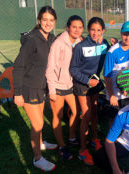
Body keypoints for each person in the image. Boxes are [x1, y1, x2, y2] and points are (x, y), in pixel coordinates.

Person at [13, 6, 58, 172]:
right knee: (38, 123)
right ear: (39, 20)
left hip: (41, 88)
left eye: (51, 20)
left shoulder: (50, 38)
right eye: (44, 20)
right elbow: (18, 66)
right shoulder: (32, 39)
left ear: (54, 22)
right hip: (28, 88)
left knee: (38, 122)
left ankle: (40, 143)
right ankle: (38, 158)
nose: (47, 23)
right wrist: (17, 93)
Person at [69, 17, 109, 166]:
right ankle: (82, 150)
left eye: (99, 30)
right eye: (92, 29)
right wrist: (87, 80)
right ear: (88, 30)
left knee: (94, 112)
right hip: (82, 85)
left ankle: (95, 139)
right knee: (86, 115)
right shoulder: (80, 47)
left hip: (95, 84)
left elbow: (113, 51)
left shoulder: (104, 44)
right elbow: (73, 69)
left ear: (103, 31)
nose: (95, 33)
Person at [46, 15, 84, 160]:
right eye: (74, 27)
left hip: (71, 85)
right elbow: (50, 68)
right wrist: (52, 90)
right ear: (68, 28)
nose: (77, 30)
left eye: (80, 27)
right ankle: (62, 147)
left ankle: (72, 138)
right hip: (58, 85)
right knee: (58, 116)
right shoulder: (59, 43)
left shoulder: (80, 41)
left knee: (76, 111)